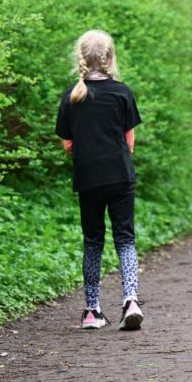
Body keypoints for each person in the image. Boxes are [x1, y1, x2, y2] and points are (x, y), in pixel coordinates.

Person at [56, 30, 144, 331]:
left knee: (93, 242)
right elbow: (129, 142)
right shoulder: (122, 93)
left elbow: (67, 144)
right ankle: (131, 300)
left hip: (88, 178)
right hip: (120, 175)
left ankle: (92, 311)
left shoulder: (71, 96)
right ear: (109, 57)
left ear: (80, 57)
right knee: (125, 239)